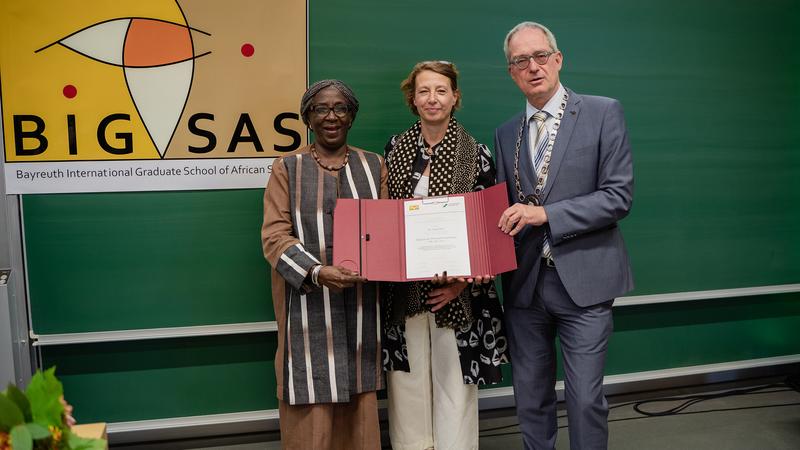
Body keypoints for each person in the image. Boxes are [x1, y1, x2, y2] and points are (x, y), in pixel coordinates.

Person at [494, 22, 634, 450]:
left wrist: (546, 213)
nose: (532, 67)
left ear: (558, 59)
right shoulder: (505, 133)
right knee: (530, 398)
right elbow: (502, 214)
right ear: (511, 72)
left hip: (585, 285)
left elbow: (618, 196)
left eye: (540, 56)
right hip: (526, 288)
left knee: (585, 398)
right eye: (521, 61)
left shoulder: (602, 112)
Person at [382, 61, 509, 450]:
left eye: (441, 90)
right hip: (403, 290)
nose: (432, 99)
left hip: (460, 292)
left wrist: (459, 282)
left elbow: (490, 231)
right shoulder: (394, 148)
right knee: (407, 383)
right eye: (424, 91)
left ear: (455, 97)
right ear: (412, 99)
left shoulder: (478, 153)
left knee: (454, 385)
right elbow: (385, 217)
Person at [261, 79, 387, 450]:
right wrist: (318, 272)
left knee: (360, 418)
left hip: (362, 314)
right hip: (307, 315)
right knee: (311, 426)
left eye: (340, 108)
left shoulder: (373, 165)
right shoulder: (287, 167)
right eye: (321, 109)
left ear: (351, 116)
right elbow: (274, 237)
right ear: (307, 118)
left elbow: (389, 231)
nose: (331, 116)